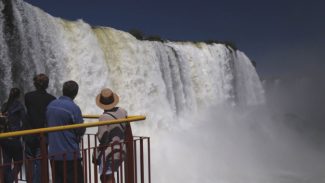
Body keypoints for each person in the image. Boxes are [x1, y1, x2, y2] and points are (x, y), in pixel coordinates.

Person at [47, 80, 85, 183]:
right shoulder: (73, 108)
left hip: (54, 154)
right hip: (69, 154)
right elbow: (80, 130)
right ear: (75, 93)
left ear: (63, 91)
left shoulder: (51, 104)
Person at [94, 88, 133, 183]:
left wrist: (98, 134)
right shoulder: (123, 111)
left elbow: (103, 138)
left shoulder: (103, 117)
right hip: (121, 149)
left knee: (106, 178)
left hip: (109, 153)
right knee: (109, 176)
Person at [24, 73, 56, 183]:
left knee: (29, 161)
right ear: (47, 84)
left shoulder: (28, 96)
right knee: (40, 162)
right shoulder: (52, 99)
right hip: (43, 134)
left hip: (29, 134)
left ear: (34, 84)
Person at [0, 88, 25, 183]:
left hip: (4, 139)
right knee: (19, 162)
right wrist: (22, 132)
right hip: (15, 138)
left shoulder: (4, 105)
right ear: (18, 95)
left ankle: (7, 180)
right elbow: (24, 120)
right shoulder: (19, 106)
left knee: (6, 163)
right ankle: (10, 180)